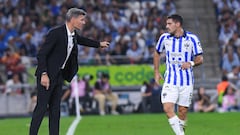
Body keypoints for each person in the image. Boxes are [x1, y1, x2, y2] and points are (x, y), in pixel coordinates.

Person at [29, 8, 109, 135]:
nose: (84, 22)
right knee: (41, 107)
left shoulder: (73, 35)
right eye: (82, 20)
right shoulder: (56, 33)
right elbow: (41, 54)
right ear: (73, 19)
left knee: (55, 110)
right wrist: (44, 74)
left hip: (59, 76)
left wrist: (99, 44)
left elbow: (83, 40)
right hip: (47, 76)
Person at [153, 14, 203, 135]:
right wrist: (156, 71)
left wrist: (190, 63)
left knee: (182, 112)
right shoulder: (164, 38)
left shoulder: (192, 39)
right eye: (167, 24)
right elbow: (157, 53)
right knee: (167, 108)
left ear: (178, 24)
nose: (167, 26)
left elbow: (200, 59)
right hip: (170, 80)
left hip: (186, 81)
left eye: (169, 24)